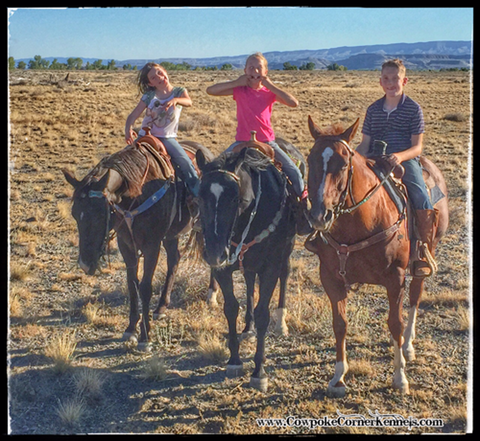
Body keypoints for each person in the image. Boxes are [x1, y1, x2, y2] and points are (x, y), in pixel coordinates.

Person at [206, 52, 311, 234]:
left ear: (265, 71)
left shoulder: (269, 92)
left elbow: (293, 103)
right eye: (251, 67)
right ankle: (207, 213)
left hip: (267, 142)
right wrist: (236, 82)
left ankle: (303, 211)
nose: (254, 71)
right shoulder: (240, 90)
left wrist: (270, 85)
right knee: (215, 170)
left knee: (294, 172)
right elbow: (211, 90)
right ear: (245, 70)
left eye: (258, 67)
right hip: (241, 142)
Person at [356, 58, 438, 277]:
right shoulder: (373, 109)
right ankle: (328, 237)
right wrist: (353, 157)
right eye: (386, 79)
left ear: (405, 80)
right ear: (380, 82)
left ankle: (421, 249)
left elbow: (417, 147)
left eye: (395, 79)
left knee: (420, 194)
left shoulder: (413, 109)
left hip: (404, 159)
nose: (391, 83)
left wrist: (399, 157)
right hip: (374, 157)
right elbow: (364, 144)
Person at [125, 62, 199, 197]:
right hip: (145, 136)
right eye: (153, 78)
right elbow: (133, 115)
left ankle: (197, 193)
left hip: (166, 137)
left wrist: (176, 100)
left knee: (185, 162)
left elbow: (189, 102)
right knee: (124, 160)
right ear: (151, 84)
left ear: (165, 71)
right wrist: (128, 129)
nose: (159, 77)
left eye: (160, 72)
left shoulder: (179, 91)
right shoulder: (149, 96)